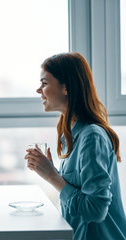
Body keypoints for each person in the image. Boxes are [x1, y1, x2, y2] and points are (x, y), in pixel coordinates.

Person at [25, 52, 126, 240]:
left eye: (44, 83)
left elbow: (94, 210)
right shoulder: (69, 136)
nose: (39, 90)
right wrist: (49, 171)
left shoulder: (92, 137)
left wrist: (51, 175)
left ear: (66, 87)